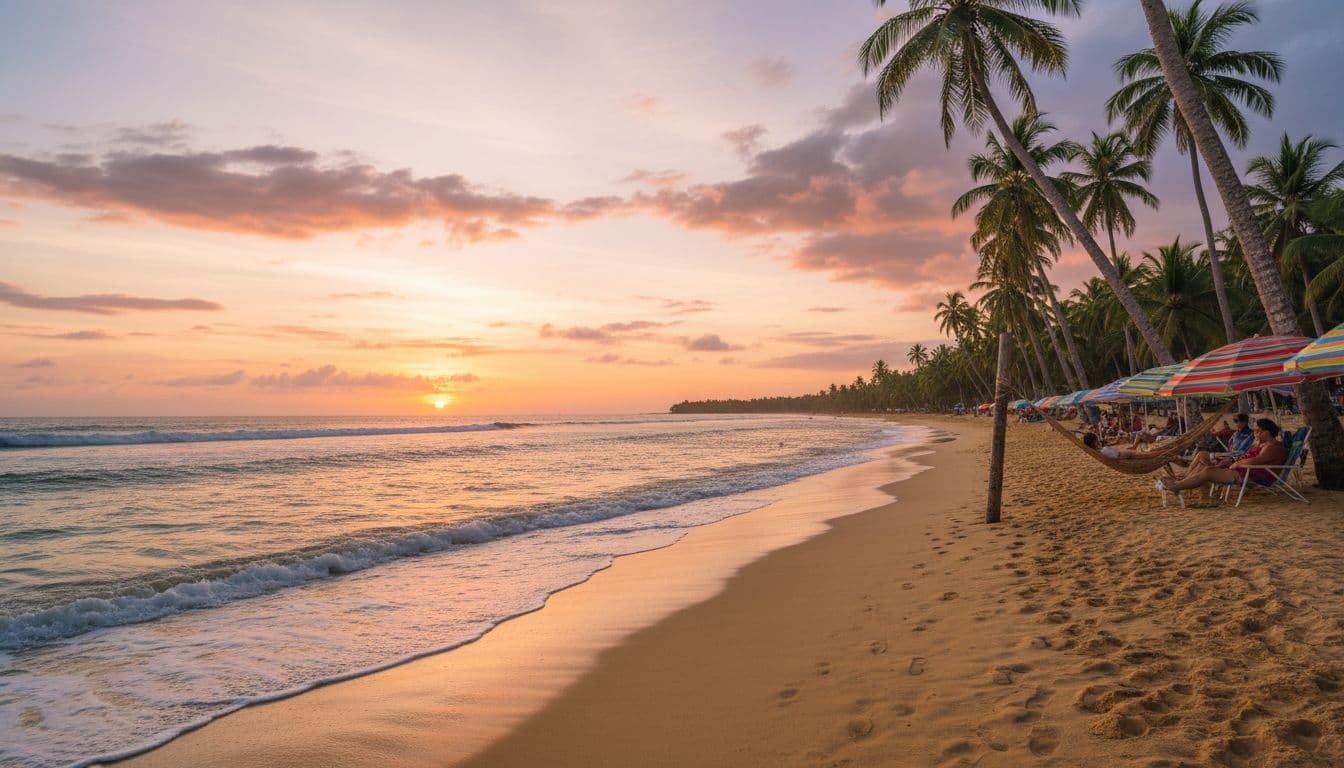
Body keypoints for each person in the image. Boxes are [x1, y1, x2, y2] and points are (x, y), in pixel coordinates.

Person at [1156, 418, 1288, 494]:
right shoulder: (1263, 445)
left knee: (1207, 471)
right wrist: (1230, 461)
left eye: (1258, 431)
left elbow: (1255, 461)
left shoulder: (1273, 447)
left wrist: (1235, 463)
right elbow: (1249, 459)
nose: (1255, 433)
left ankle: (1177, 486)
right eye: (1254, 430)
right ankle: (1181, 484)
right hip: (1244, 470)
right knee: (1204, 464)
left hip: (1251, 476)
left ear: (1267, 432)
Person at [1180, 414, 1255, 475]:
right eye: (1235, 421)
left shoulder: (1250, 434)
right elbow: (1230, 447)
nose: (1236, 423)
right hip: (1228, 456)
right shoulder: (1236, 433)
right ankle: (1187, 477)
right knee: (1201, 454)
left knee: (1202, 465)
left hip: (1235, 459)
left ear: (1244, 422)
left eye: (1237, 421)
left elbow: (1241, 451)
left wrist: (1221, 455)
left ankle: (1187, 481)